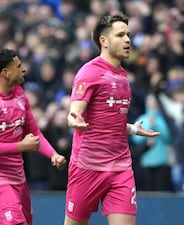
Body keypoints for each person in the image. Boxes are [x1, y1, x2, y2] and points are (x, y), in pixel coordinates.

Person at [64, 13, 160, 225]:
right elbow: (75, 112)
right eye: (120, 35)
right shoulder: (89, 73)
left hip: (121, 168)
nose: (128, 40)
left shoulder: (123, 76)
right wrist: (74, 119)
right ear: (104, 41)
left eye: (128, 35)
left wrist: (133, 129)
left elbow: (107, 119)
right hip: (87, 166)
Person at [0, 48, 67, 225]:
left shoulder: (20, 95)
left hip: (18, 177)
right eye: (18, 66)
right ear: (5, 73)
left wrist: (53, 154)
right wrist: (21, 147)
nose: (23, 69)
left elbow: (34, 133)